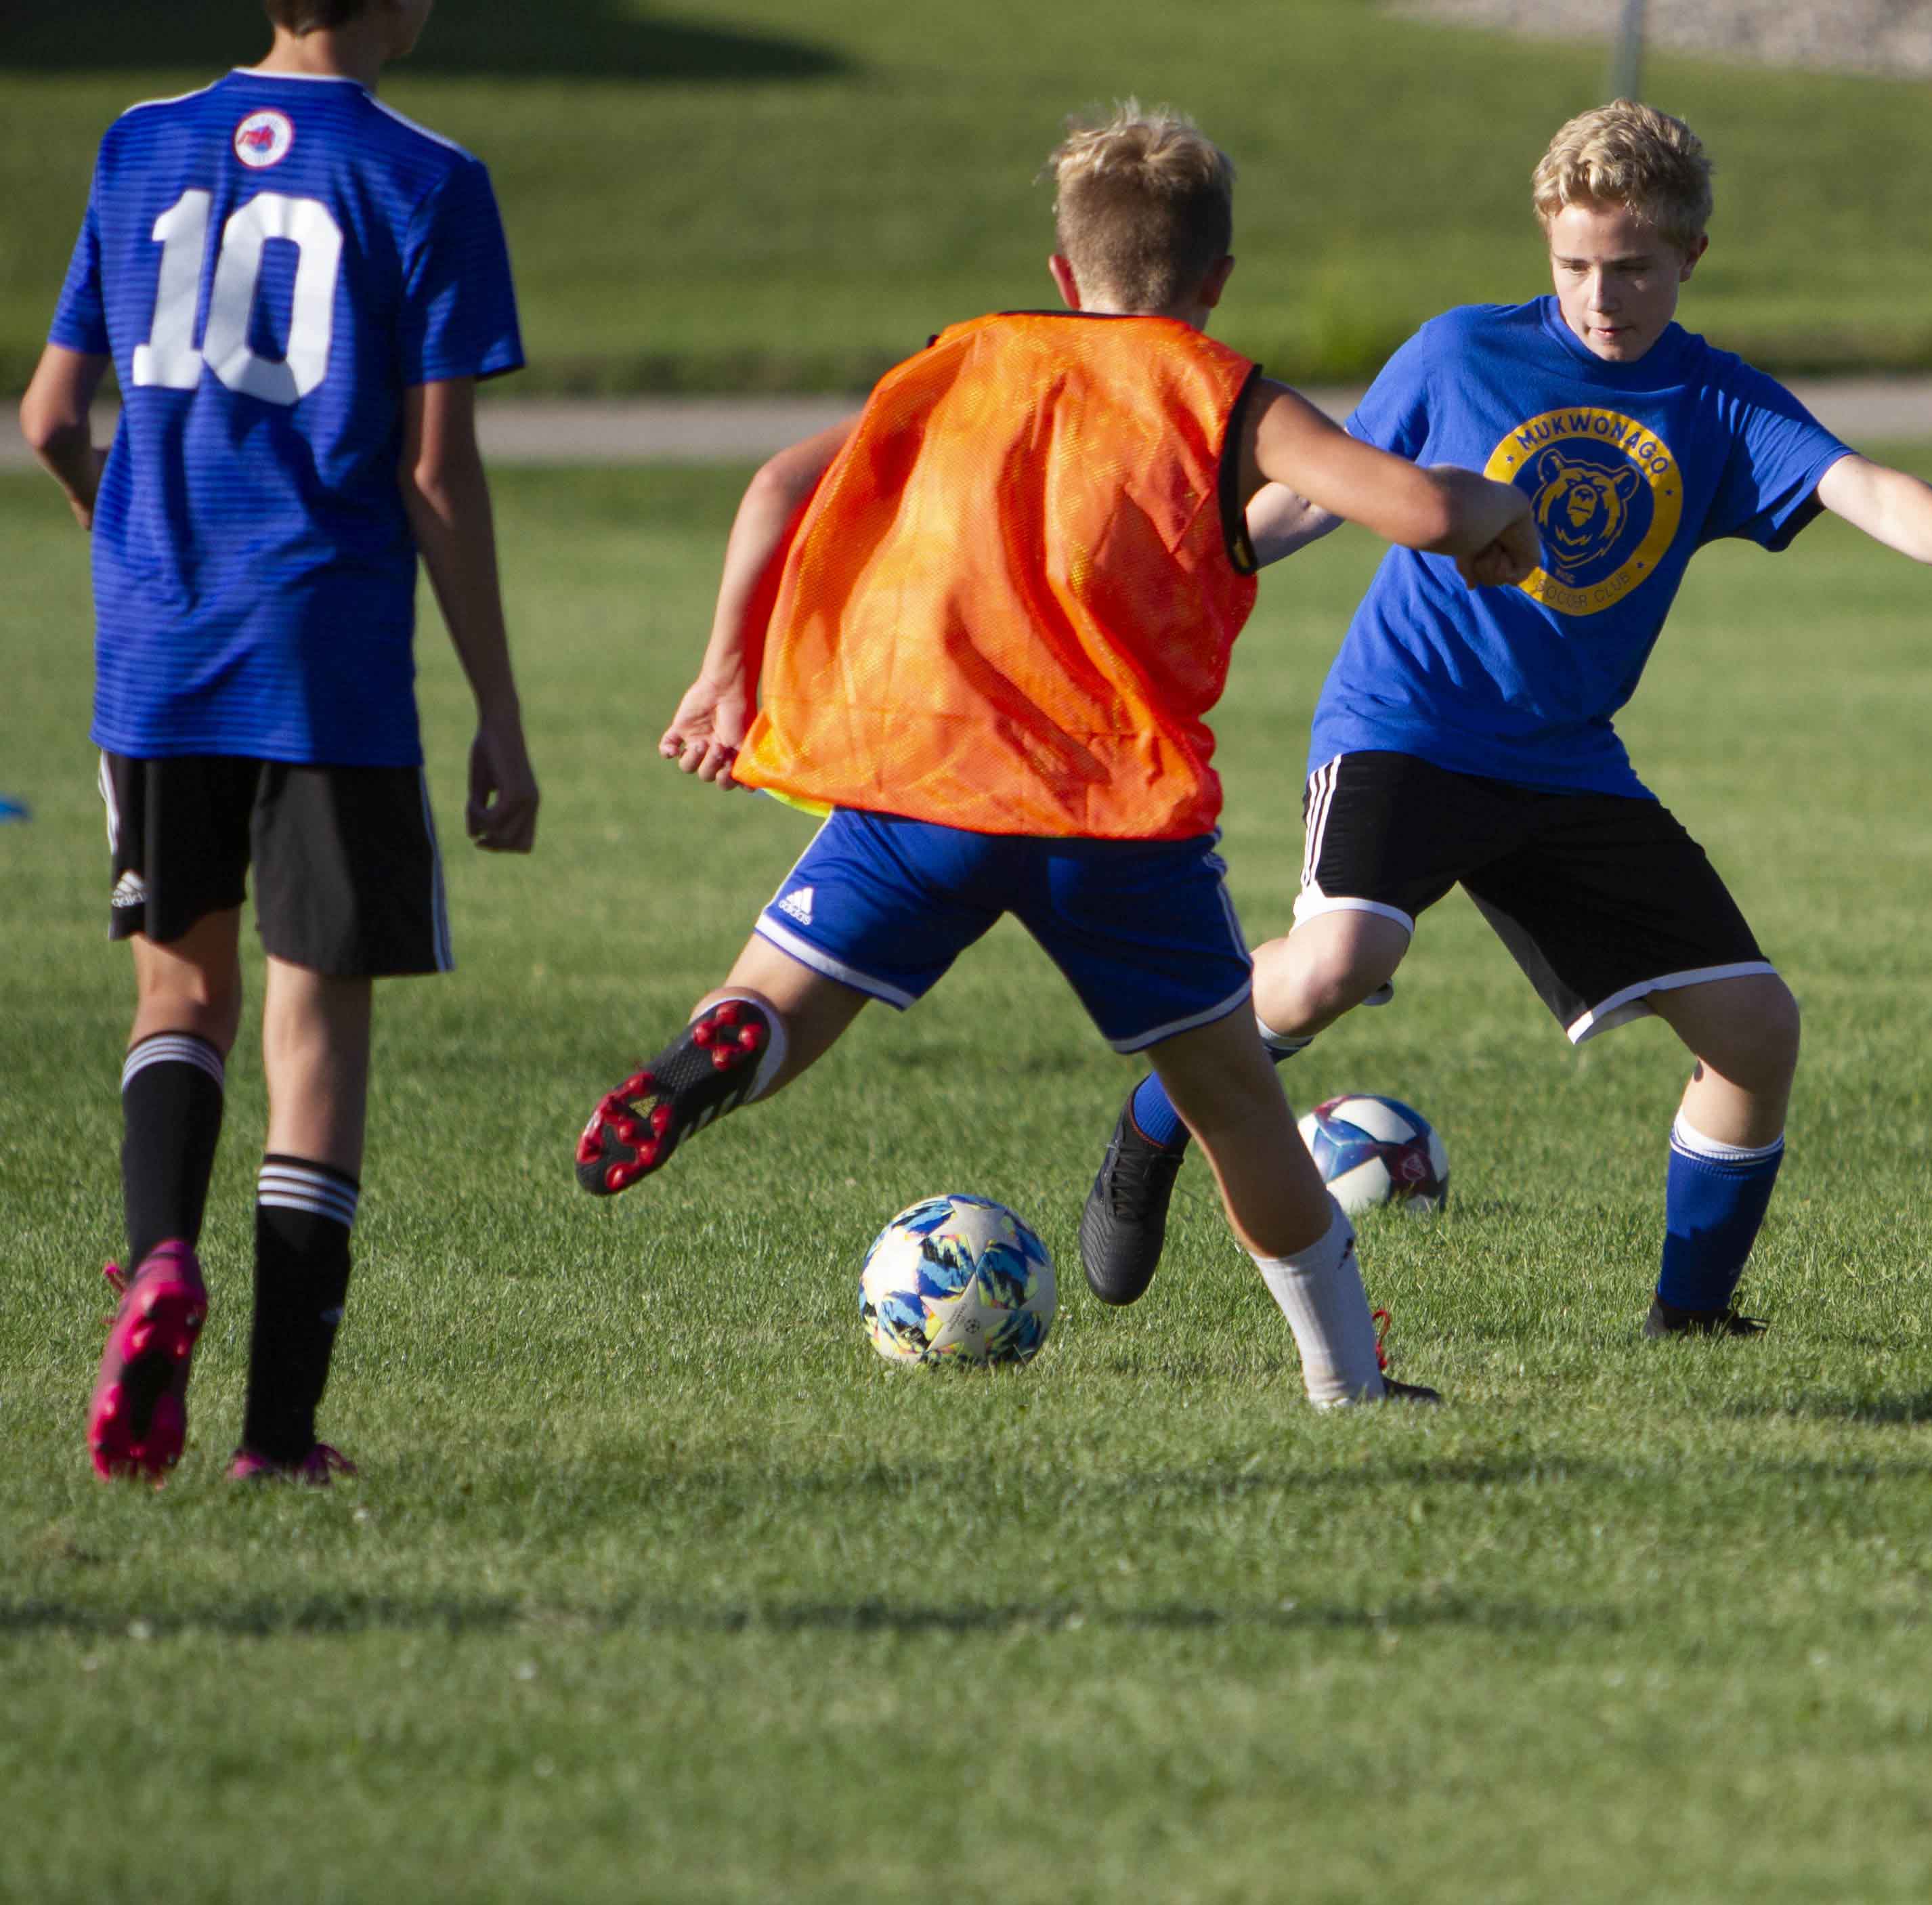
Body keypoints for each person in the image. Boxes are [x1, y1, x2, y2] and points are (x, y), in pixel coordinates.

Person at [571, 105, 1539, 1408]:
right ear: (1215, 283)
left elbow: (774, 488)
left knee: (782, 1005)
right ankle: (1347, 1385)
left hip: (920, 784)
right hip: (1110, 817)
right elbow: (1415, 504)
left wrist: (725, 671)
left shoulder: (962, 359)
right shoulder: (1219, 388)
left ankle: (721, 1047)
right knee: (1235, 1105)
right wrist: (1499, 512)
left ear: (1061, 274)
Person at [1078, 99, 1932, 1337]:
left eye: (1631, 270)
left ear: (1689, 259)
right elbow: (1305, 502)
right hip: (1405, 723)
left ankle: (1692, 1323)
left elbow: (1858, 483)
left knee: (1754, 1028)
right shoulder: (1458, 354)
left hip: (1564, 762)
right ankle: (1149, 1123)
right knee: (1338, 965)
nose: (1599, 298)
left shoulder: (1714, 403)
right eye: (1572, 267)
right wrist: (1164, 581)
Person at [18, 0, 537, 1484]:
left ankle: (158, 1256)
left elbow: (46, 418)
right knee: (319, 1032)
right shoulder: (424, 178)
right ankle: (277, 1435)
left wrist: (138, 542)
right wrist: (502, 719)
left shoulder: (136, 144)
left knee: (180, 990)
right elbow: (435, 477)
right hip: (322, 657)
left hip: (157, 651)